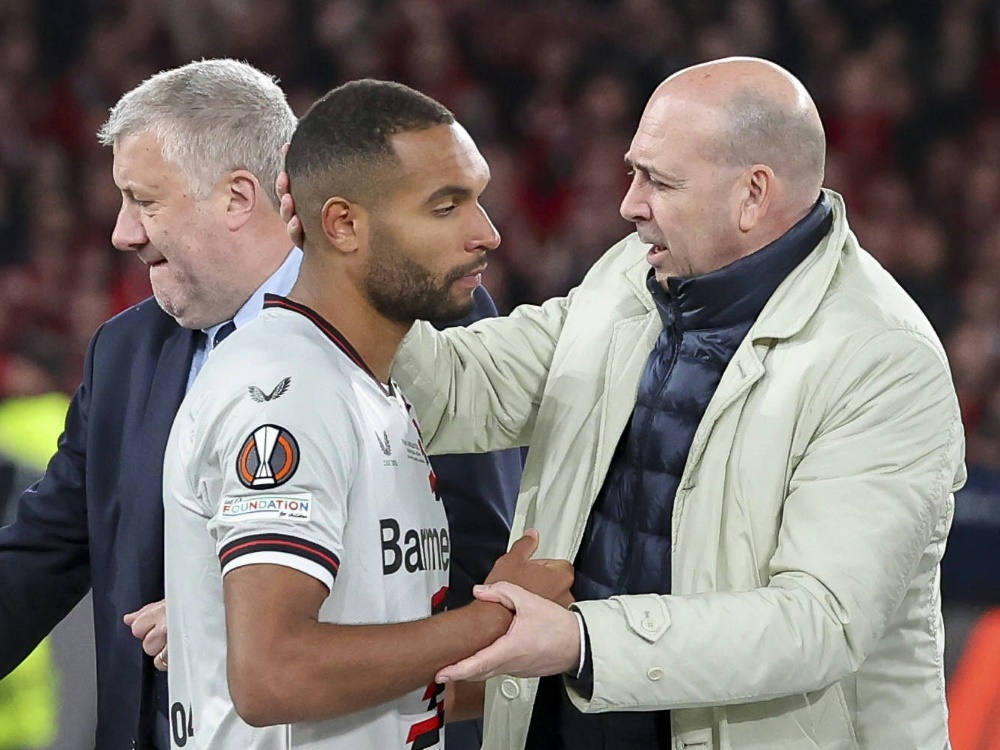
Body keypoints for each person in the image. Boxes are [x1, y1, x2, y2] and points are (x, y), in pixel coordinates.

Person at [383, 57, 966, 748]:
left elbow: (819, 622)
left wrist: (581, 641)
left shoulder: (883, 360)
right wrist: (349, 274)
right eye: (634, 171)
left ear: (753, 195)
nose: (629, 203)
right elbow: (457, 389)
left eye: (659, 181)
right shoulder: (636, 271)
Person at [0, 59, 519, 750]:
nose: (124, 232)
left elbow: (473, 566)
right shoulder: (126, 353)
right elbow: (39, 555)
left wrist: (238, 625)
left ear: (240, 197)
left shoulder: (420, 318)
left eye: (144, 200)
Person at [161, 78, 572, 749]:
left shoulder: (368, 386)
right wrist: (496, 616)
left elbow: (399, 684)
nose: (487, 234)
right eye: (446, 208)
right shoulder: (287, 391)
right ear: (344, 225)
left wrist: (575, 647)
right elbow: (273, 676)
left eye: (479, 199)